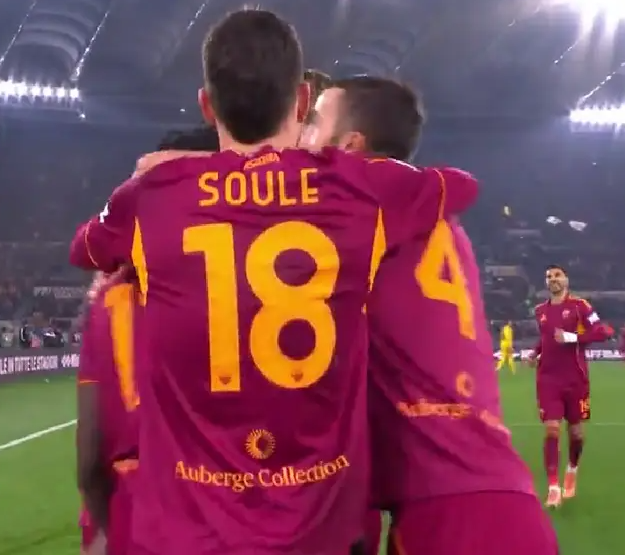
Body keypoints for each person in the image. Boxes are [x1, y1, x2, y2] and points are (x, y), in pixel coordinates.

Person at [302, 75, 559, 555]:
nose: (302, 135)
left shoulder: (354, 197)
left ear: (350, 147)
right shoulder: (428, 215)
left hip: (446, 514)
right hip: (500, 496)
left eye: (313, 123)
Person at [530, 264, 612, 507]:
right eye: (548, 276)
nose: (552, 279)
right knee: (551, 429)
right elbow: (545, 339)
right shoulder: (540, 310)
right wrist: (534, 352)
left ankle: (572, 469)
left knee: (576, 433)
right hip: (548, 379)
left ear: (566, 279)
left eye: (557, 275)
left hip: (576, 379)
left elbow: (604, 332)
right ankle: (553, 487)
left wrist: (572, 337)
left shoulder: (580, 306)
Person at [77, 268, 140, 555]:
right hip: (193, 491)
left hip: (122, 496)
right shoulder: (188, 293)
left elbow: (88, 467)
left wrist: (105, 527)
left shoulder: (103, 308)